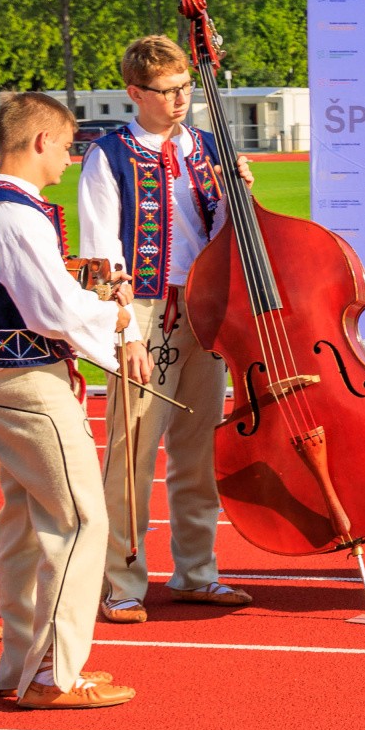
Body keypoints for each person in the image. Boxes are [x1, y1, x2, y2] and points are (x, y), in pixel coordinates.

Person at [0, 91, 147, 709]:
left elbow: (44, 298)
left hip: (9, 380)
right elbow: (51, 309)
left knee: (28, 525)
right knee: (79, 520)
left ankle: (24, 666)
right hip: (25, 382)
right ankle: (53, 674)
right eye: (68, 146)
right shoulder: (11, 213)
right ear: (42, 141)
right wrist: (115, 314)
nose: (70, 160)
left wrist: (90, 304)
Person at [77, 35, 249, 622]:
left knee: (198, 450)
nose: (181, 99)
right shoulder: (110, 155)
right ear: (136, 92)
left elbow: (223, 235)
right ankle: (120, 580)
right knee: (133, 450)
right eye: (168, 90)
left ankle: (197, 572)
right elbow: (100, 245)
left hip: (205, 308)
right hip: (142, 310)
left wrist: (238, 196)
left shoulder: (208, 147)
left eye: (186, 87)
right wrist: (123, 330)